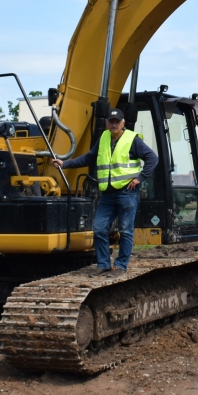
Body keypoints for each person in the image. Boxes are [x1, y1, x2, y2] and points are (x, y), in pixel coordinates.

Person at [52, 108, 157, 274]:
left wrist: (140, 178)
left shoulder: (132, 140)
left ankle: (121, 265)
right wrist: (65, 164)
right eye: (111, 121)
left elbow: (152, 158)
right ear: (106, 122)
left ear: (123, 123)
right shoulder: (104, 138)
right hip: (107, 194)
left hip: (127, 192)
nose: (114, 124)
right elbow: (88, 157)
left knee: (125, 230)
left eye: (117, 122)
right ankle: (103, 265)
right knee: (99, 229)